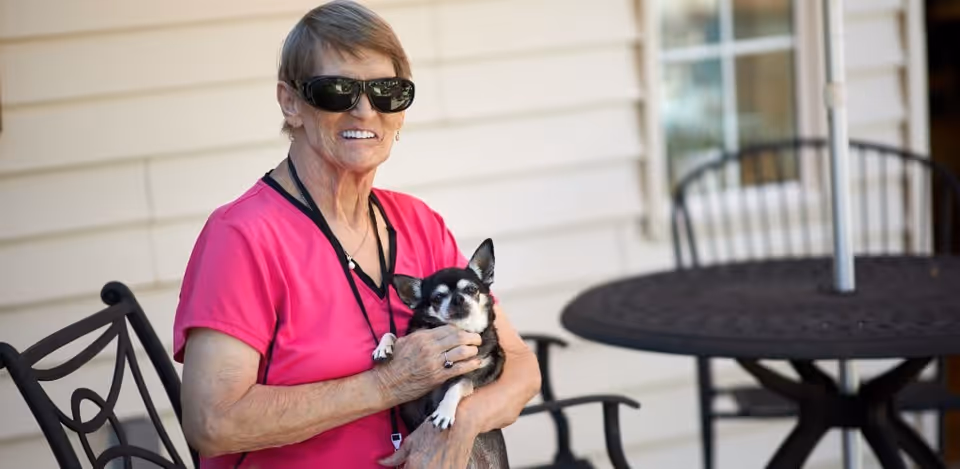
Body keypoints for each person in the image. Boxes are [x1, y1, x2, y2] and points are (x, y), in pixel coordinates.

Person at [171, 1, 541, 468]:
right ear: (291, 103)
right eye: (337, 91)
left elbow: (521, 368)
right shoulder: (242, 237)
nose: (365, 110)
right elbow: (212, 422)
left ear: (400, 113)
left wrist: (457, 423)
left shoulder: (418, 222)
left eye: (387, 91)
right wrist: (388, 384)